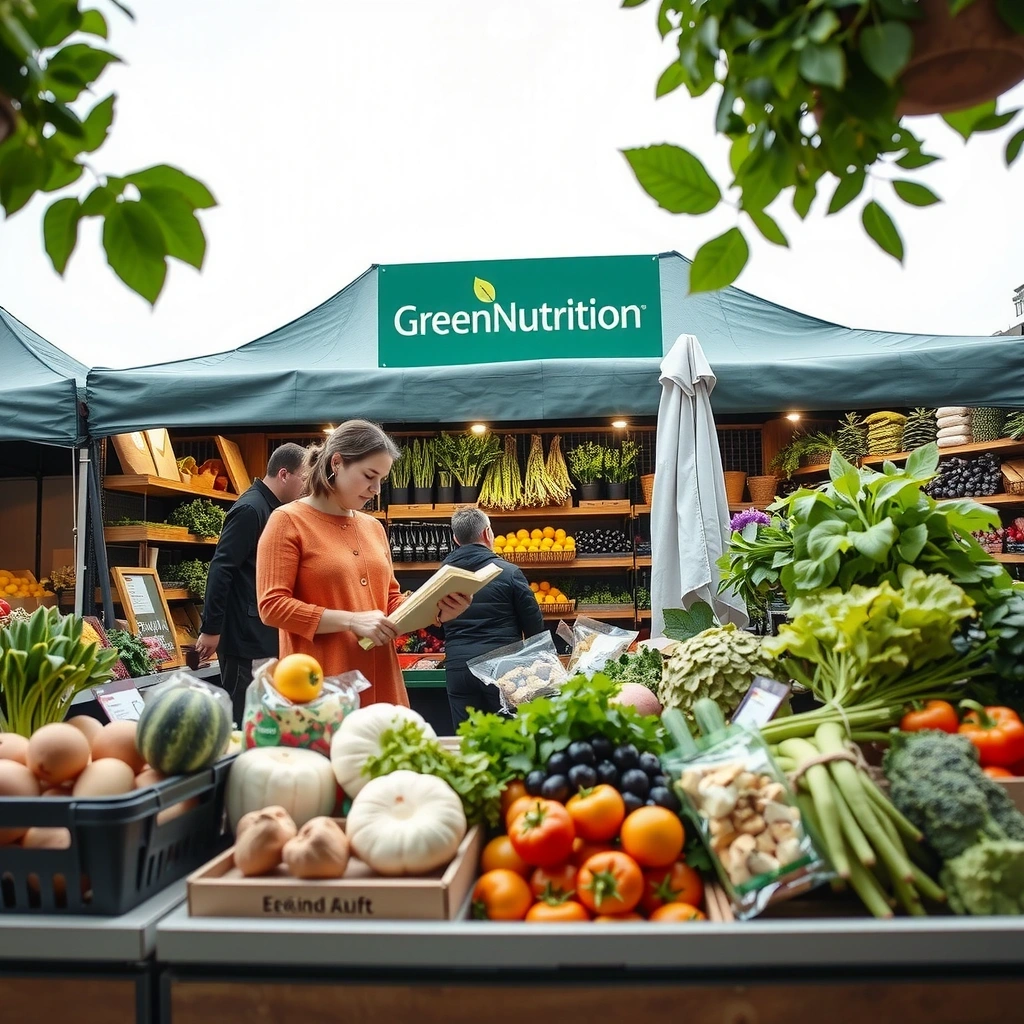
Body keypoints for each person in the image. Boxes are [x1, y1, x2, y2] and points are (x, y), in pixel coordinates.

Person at [256, 420, 472, 707]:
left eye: (382, 479)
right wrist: (351, 620)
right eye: (369, 476)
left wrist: (438, 611)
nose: (376, 489)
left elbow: (390, 601)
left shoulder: (374, 528)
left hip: (383, 680)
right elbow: (272, 607)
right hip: (321, 687)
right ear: (337, 463)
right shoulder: (287, 521)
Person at [195, 443, 306, 721]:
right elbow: (222, 569)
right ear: (284, 474)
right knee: (246, 715)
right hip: (245, 640)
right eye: (304, 478)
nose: (306, 487)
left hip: (261, 635)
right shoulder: (250, 509)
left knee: (264, 715)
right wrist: (211, 629)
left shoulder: (273, 510)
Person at [440, 506, 545, 728]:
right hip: (502, 667)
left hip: (459, 668)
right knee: (507, 735)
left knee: (467, 738)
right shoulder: (509, 572)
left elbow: (434, 623)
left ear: (456, 539)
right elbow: (533, 625)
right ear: (487, 533)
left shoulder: (441, 577)